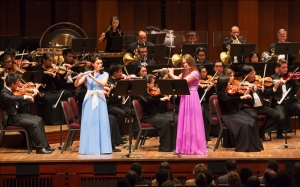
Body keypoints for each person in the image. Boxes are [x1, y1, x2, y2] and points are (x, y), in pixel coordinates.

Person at [0, 73, 54, 154]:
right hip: (10, 119)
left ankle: (45, 146)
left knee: (39, 119)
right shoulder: (4, 93)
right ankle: (39, 148)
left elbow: (20, 105)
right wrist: (24, 97)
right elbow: (11, 98)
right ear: (12, 84)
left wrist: (32, 96)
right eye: (18, 82)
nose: (20, 84)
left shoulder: (13, 91)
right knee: (34, 123)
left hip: (17, 115)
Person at [168, 54, 207, 154]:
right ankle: (184, 147)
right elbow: (178, 79)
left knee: (192, 120)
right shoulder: (185, 72)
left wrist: (171, 74)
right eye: (183, 63)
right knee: (184, 120)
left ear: (191, 63)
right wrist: (170, 74)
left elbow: (183, 82)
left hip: (192, 96)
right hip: (185, 96)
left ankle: (194, 147)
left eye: (187, 63)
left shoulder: (195, 73)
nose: (185, 65)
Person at [74, 55, 112, 154]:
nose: (100, 65)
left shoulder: (105, 74)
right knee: (90, 122)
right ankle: (89, 148)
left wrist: (92, 77)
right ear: (93, 64)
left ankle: (103, 148)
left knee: (100, 122)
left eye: (101, 63)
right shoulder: (87, 74)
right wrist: (78, 78)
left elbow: (103, 84)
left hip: (100, 99)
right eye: (97, 63)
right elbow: (76, 84)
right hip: (89, 99)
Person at [216, 75, 264, 152]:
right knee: (245, 125)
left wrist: (244, 95)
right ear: (223, 83)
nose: (230, 84)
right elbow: (227, 100)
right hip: (228, 116)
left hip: (233, 114)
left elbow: (234, 103)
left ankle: (254, 145)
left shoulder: (227, 92)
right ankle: (244, 146)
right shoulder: (221, 93)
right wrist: (241, 97)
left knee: (251, 121)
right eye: (228, 83)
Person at [240, 65, 279, 141]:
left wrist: (275, 88)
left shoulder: (258, 82)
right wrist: (249, 89)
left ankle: (261, 131)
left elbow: (266, 93)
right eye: (251, 73)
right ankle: (253, 136)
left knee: (276, 115)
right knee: (254, 116)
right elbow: (242, 98)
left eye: (254, 72)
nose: (254, 75)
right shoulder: (241, 84)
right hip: (248, 107)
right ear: (245, 75)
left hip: (260, 107)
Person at [33, 53, 72, 125]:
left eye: (52, 61)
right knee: (48, 99)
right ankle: (51, 121)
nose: (51, 63)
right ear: (44, 60)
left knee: (67, 93)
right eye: (49, 61)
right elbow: (36, 75)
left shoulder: (52, 69)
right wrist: (47, 73)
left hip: (50, 91)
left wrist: (66, 76)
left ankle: (64, 119)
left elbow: (58, 83)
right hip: (41, 91)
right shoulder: (38, 68)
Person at [138, 75, 174, 152]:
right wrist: (160, 99)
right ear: (147, 84)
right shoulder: (141, 93)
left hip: (156, 114)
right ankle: (165, 147)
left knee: (175, 118)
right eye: (153, 83)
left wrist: (163, 97)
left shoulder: (151, 93)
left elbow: (158, 105)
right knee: (165, 122)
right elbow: (148, 101)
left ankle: (174, 144)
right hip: (148, 117)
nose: (154, 85)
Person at [268, 59, 300, 138]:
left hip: (291, 102)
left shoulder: (291, 78)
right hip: (279, 103)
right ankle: (279, 134)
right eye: (283, 67)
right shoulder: (273, 78)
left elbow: (296, 90)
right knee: (281, 117)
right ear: (278, 68)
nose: (285, 69)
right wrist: (275, 85)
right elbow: (269, 92)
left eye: (286, 67)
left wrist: (296, 81)